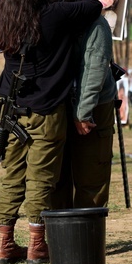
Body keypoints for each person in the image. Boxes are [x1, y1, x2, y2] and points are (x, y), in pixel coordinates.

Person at [0, 0, 101, 264]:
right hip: (48, 110)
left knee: (12, 175)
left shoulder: (3, 14)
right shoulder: (53, 14)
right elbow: (93, 5)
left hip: (12, 111)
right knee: (41, 178)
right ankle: (37, 244)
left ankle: (5, 243)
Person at [51, 13, 116, 210]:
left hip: (94, 105)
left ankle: (87, 235)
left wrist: (83, 112)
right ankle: (60, 235)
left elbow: (94, 68)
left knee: (92, 176)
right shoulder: (40, 14)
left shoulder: (94, 22)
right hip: (56, 104)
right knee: (56, 177)